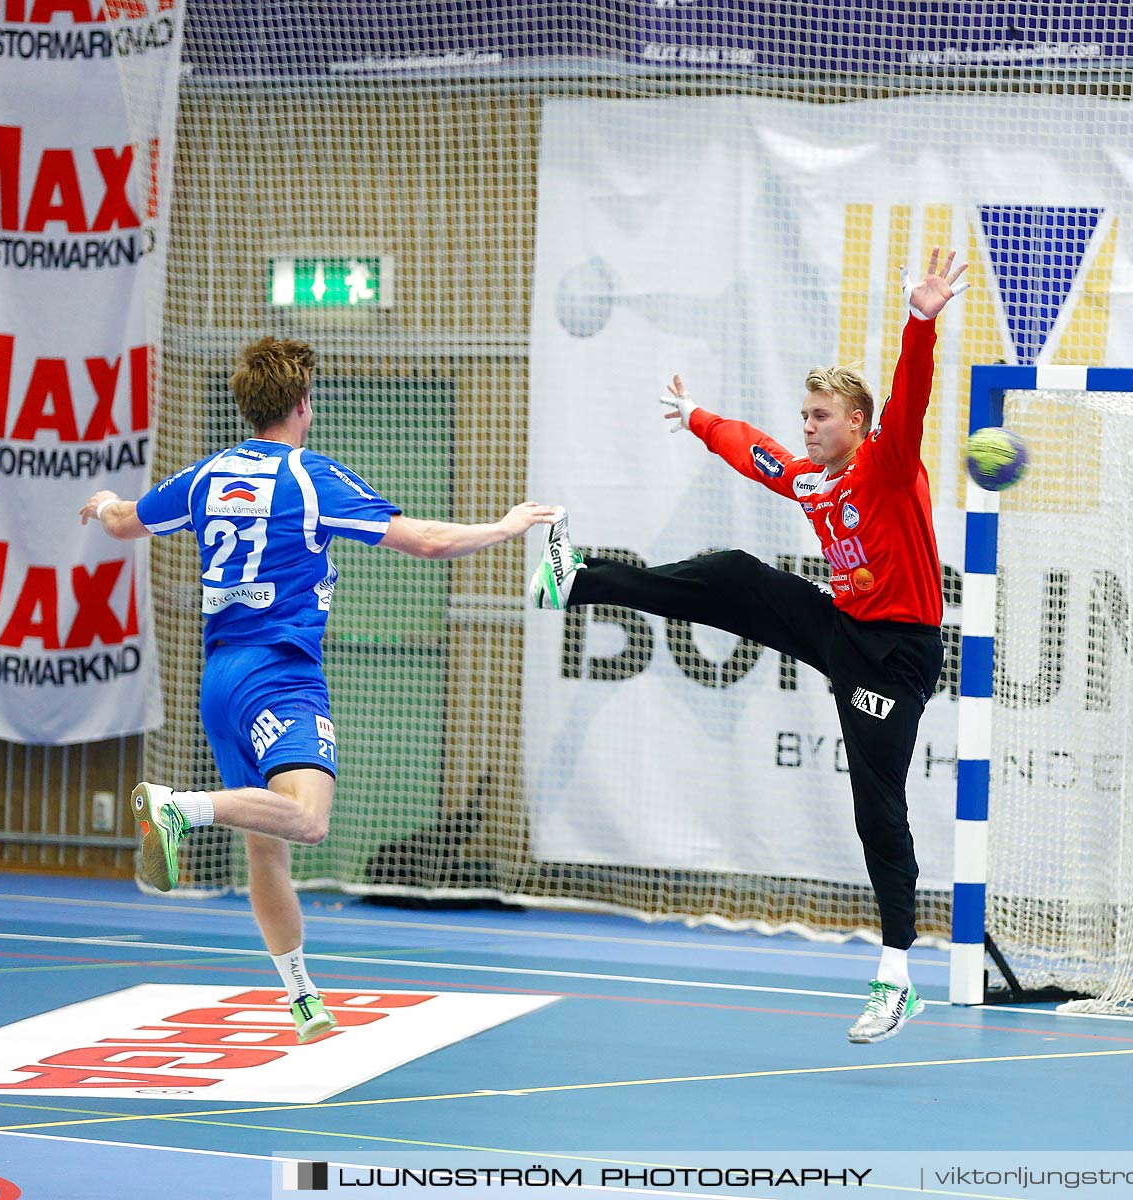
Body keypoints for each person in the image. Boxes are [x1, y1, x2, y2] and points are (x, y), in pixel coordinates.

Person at [530, 247, 969, 1044]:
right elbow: (754, 452)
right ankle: (578, 579)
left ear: (857, 424)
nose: (808, 427)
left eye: (821, 417)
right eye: (804, 415)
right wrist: (699, 418)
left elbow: (912, 395)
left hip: (897, 655)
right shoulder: (812, 479)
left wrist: (920, 319)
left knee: (878, 810)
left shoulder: (889, 465)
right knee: (732, 573)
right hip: (843, 629)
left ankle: (897, 977)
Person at [81, 337, 557, 1043]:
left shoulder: (208, 473)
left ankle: (305, 1002)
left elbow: (123, 524)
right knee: (307, 821)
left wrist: (103, 501)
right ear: (304, 405)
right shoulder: (310, 477)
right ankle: (178, 809)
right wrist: (507, 526)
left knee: (267, 845)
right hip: (280, 671)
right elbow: (423, 540)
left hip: (220, 679)